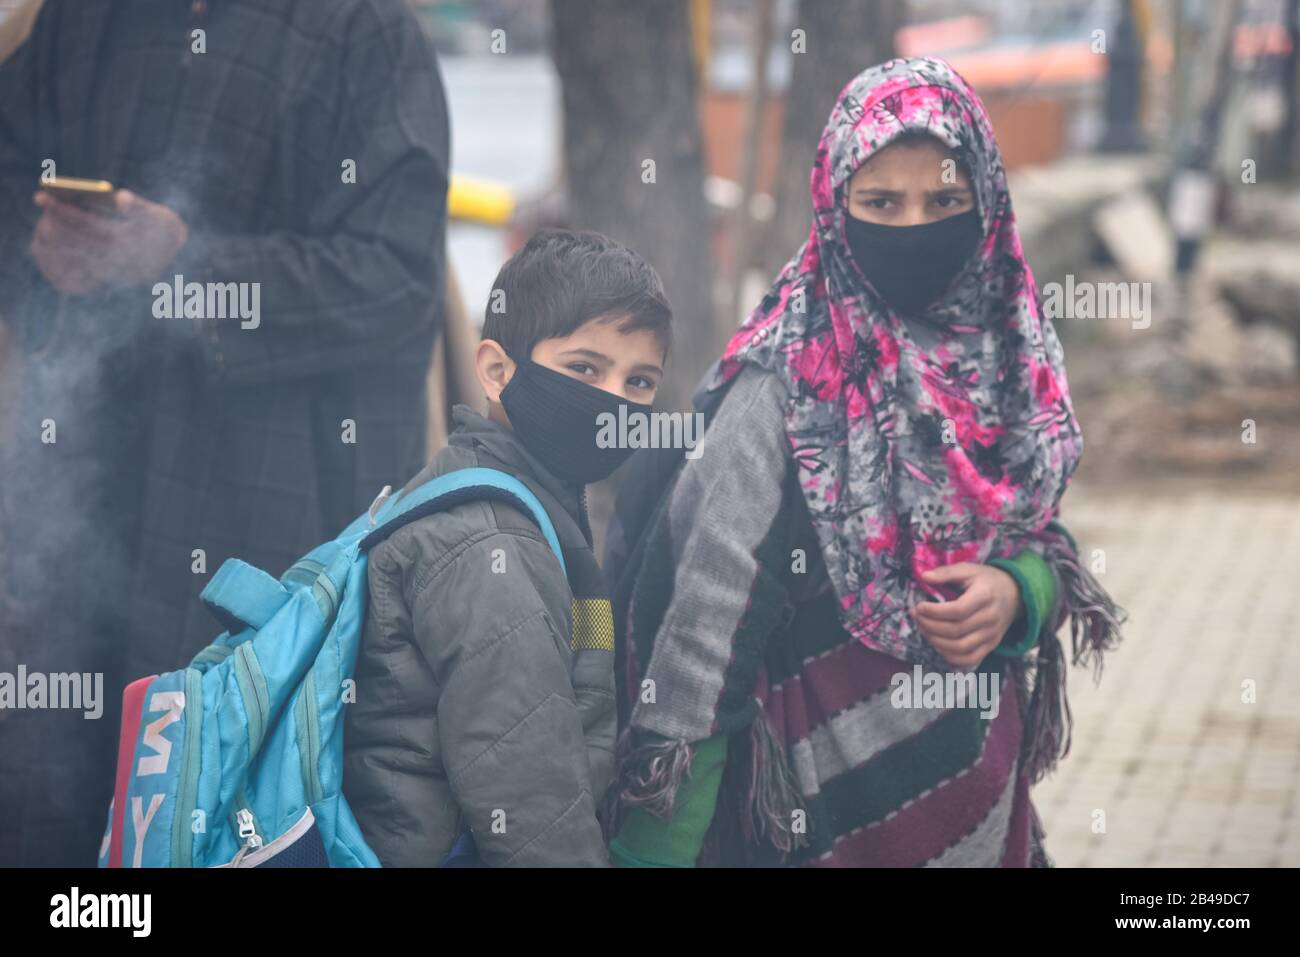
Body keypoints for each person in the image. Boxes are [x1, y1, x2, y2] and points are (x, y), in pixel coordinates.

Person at [601, 57, 1126, 867]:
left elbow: (1046, 540)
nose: (914, 225)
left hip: (986, 814)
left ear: (985, 203)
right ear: (832, 204)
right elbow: (699, 658)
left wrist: (1017, 591)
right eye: (881, 202)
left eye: (944, 201)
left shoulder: (1010, 361)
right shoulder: (783, 394)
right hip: (827, 824)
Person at [0, 0, 448, 865]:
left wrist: (188, 265)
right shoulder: (86, 18)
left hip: (260, 536)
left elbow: (395, 278)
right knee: (47, 795)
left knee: (222, 811)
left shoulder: (365, 33)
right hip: (76, 502)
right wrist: (43, 241)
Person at [342, 229, 672, 867]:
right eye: (584, 368)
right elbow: (534, 815)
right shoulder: (489, 545)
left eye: (639, 383)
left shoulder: (494, 493)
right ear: (496, 371)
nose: (613, 402)